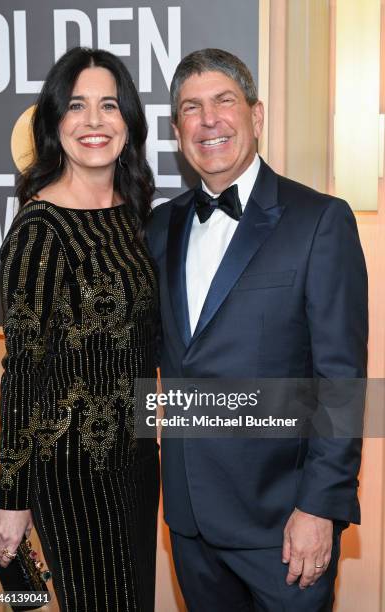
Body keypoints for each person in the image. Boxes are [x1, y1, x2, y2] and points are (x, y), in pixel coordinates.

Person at [146, 48, 368, 611]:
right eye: (191, 109)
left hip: (285, 524)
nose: (209, 120)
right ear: (178, 131)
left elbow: (340, 380)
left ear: (257, 115)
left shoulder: (320, 220)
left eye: (224, 101)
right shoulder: (159, 225)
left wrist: (321, 507)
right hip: (190, 521)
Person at [0, 47, 160, 612]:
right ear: (55, 124)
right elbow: (22, 373)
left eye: (109, 105)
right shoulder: (41, 228)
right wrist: (12, 498)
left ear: (128, 123)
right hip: (73, 474)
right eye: (77, 106)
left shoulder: (133, 214)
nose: (93, 121)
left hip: (136, 461)